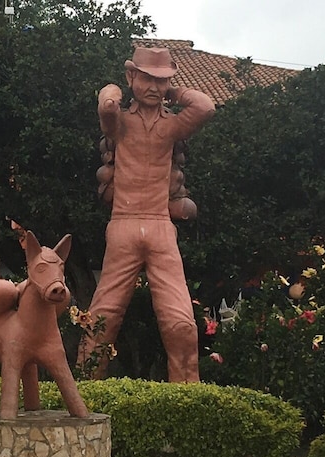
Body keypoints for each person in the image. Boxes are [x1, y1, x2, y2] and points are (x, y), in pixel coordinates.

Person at [76, 46, 216, 383]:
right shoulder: (120, 125)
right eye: (147, 78)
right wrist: (114, 91)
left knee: (181, 323)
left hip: (160, 227)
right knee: (102, 319)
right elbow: (108, 107)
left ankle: (187, 398)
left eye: (161, 80)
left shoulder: (173, 127)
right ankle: (82, 394)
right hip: (123, 226)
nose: (154, 87)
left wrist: (174, 89)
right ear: (131, 76)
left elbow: (206, 106)